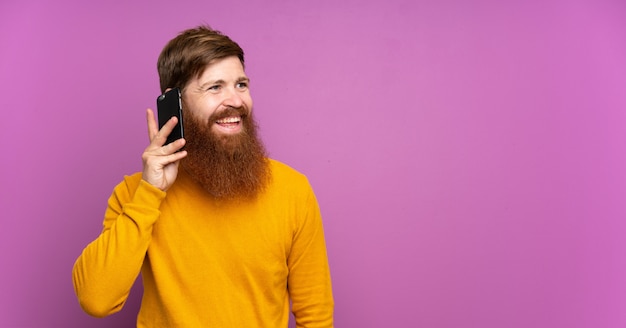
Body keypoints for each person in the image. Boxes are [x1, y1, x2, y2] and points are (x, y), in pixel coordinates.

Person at [72, 25, 334, 327]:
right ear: (176, 103)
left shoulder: (292, 190)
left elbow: (316, 315)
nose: (235, 100)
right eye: (215, 87)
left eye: (241, 85)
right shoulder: (136, 194)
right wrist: (149, 193)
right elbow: (96, 299)